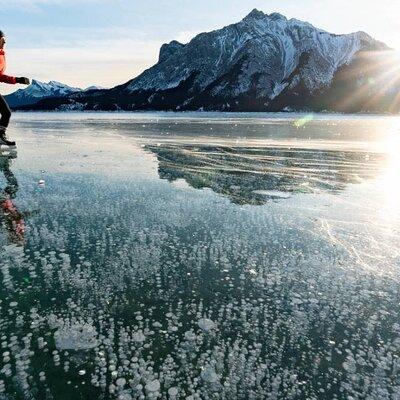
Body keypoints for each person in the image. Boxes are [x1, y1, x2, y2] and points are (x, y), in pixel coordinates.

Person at [0, 30, 30, 147]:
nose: (4, 42)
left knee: (5, 113)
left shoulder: (1, 54)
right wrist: (17, 79)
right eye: (2, 40)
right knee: (6, 113)